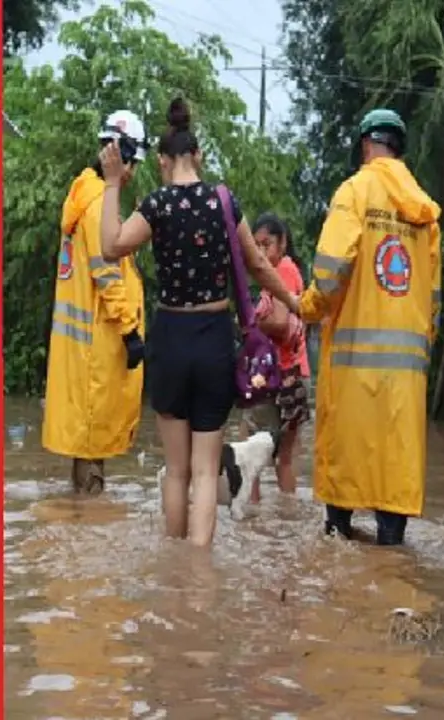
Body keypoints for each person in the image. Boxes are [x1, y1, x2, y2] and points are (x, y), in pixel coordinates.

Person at [98, 97, 299, 547]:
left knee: (177, 470)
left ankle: (172, 576)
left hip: (169, 339)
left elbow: (110, 246)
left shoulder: (156, 205)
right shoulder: (223, 202)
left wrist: (112, 184)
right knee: (207, 470)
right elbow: (260, 268)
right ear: (200, 155)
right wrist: (297, 304)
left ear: (162, 161)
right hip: (213, 342)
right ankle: (199, 573)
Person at [300, 108, 441, 547]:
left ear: (366, 145)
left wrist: (306, 308)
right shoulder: (426, 213)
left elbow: (329, 273)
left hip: (352, 371)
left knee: (342, 492)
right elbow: (432, 302)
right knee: (393, 488)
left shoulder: (355, 191)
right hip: (405, 379)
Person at [41, 110, 148, 495]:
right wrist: (129, 329)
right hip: (97, 344)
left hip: (83, 346)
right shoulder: (98, 204)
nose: (133, 172)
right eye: (132, 162)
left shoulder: (83, 196)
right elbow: (107, 274)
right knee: (91, 442)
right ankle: (88, 519)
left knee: (88, 443)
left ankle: (81, 515)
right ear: (121, 155)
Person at [250, 213, 310, 497]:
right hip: (292, 374)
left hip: (282, 376)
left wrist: (249, 323)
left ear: (282, 243)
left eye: (267, 244)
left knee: (251, 452)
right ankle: (287, 523)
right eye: (256, 245)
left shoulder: (283, 270)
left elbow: (280, 324)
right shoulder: (283, 272)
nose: (261, 251)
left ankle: (250, 522)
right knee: (283, 459)